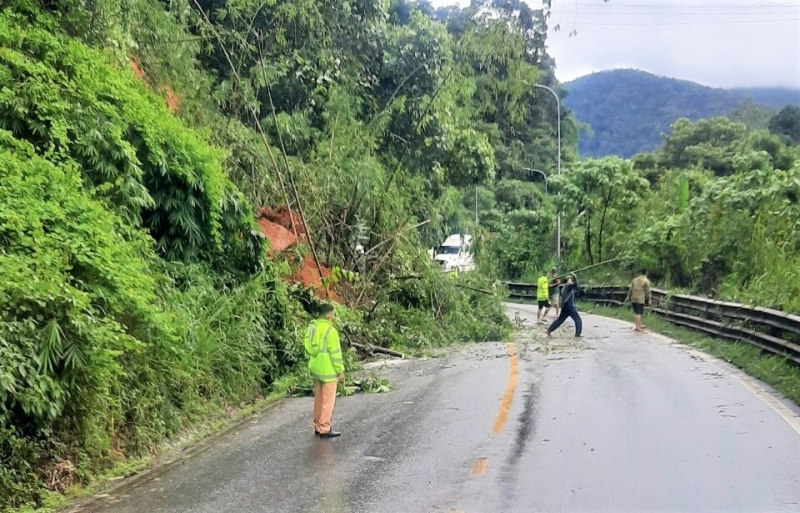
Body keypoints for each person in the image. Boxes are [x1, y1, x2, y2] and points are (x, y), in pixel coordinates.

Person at [304, 303, 345, 438]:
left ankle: (317, 426)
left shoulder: (312, 327)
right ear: (328, 315)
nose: (333, 317)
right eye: (332, 314)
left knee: (319, 399)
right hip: (328, 370)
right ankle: (324, 428)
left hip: (316, 368)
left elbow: (308, 346)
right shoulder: (330, 331)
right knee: (328, 401)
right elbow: (335, 353)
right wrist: (340, 371)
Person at [546, 273, 582, 338]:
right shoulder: (568, 286)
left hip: (565, 306)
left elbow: (575, 287)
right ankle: (577, 335)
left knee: (560, 320)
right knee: (577, 319)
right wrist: (574, 275)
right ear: (568, 280)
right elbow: (576, 284)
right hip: (569, 306)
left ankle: (549, 330)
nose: (571, 280)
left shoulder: (564, 287)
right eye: (570, 279)